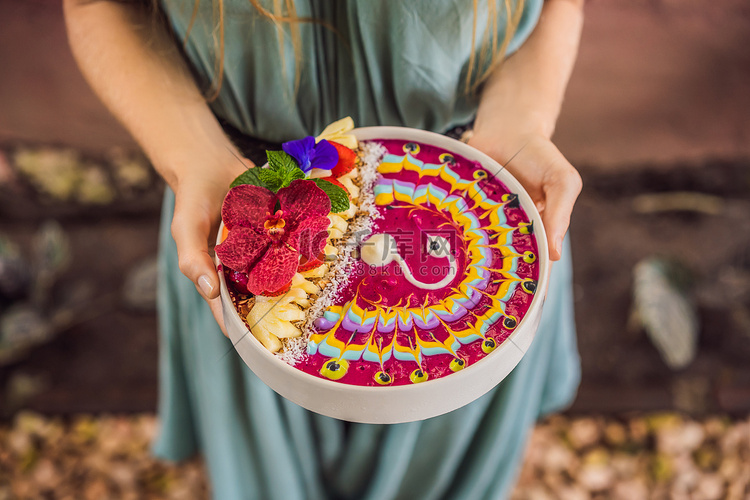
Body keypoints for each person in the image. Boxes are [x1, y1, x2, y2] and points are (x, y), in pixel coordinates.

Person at [64, 1, 584, 498]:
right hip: (241, 205)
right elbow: (97, 6)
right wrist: (192, 156)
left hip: (475, 204)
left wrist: (520, 124)